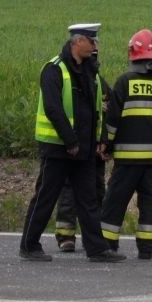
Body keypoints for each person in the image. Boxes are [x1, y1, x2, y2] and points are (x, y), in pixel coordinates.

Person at [19, 23, 126, 263]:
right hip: (58, 149)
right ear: (78, 42)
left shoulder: (91, 72)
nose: (95, 46)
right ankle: (29, 245)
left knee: (88, 200)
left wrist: (101, 141)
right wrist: (70, 141)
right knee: (45, 196)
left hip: (85, 150)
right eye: (92, 41)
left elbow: (98, 109)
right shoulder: (54, 69)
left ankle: (97, 250)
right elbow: (53, 109)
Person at [100, 29, 152, 260]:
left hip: (127, 160)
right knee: (150, 205)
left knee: (115, 202)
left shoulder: (124, 82)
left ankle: (108, 243)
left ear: (133, 55)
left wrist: (106, 146)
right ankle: (147, 248)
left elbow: (112, 121)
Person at [55, 50, 110, 253]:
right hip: (74, 148)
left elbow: (108, 117)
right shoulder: (70, 81)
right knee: (69, 191)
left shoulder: (100, 84)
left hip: (94, 151)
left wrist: (105, 142)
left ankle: (94, 238)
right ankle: (65, 235)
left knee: (95, 193)